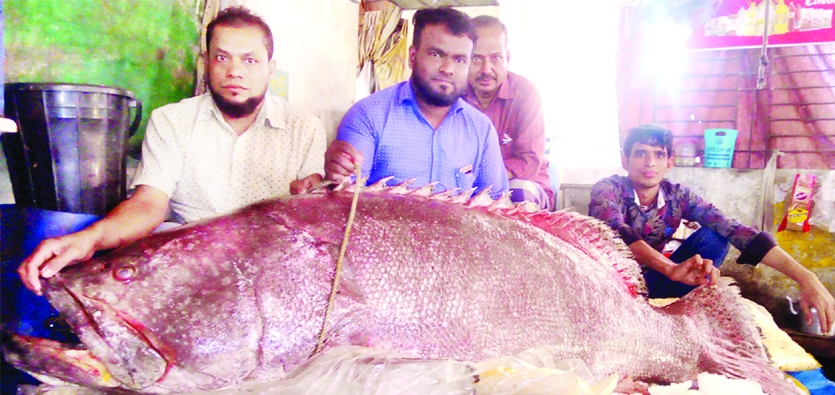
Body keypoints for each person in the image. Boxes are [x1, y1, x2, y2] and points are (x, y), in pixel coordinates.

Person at [19, 6, 326, 295]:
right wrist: (90, 239)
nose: (235, 71)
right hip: (189, 263)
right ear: (205, 63)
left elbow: (314, 219)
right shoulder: (172, 121)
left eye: (249, 60)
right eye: (222, 58)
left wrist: (315, 200)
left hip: (273, 266)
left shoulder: (304, 127)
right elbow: (149, 204)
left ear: (269, 68)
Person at [589, 124, 835, 333]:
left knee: (716, 236)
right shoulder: (607, 189)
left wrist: (807, 278)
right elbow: (617, 233)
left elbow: (735, 230)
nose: (649, 163)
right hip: (613, 286)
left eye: (658, 154)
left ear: (669, 162)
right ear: (625, 160)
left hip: (657, 282)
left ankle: (682, 313)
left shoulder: (678, 196)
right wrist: (671, 268)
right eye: (640, 154)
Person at [324, 7, 508, 199]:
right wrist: (338, 176)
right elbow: (345, 198)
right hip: (383, 228)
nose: (448, 69)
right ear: (412, 57)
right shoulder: (368, 115)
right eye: (436, 54)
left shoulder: (481, 129)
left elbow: (495, 206)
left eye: (460, 60)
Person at [463, 16, 552, 210]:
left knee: (519, 193)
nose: (486, 69)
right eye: (476, 58)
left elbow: (529, 160)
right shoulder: (454, 97)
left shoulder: (525, 93)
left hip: (523, 185)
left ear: (507, 59)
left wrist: (487, 182)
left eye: (495, 58)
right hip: (469, 186)